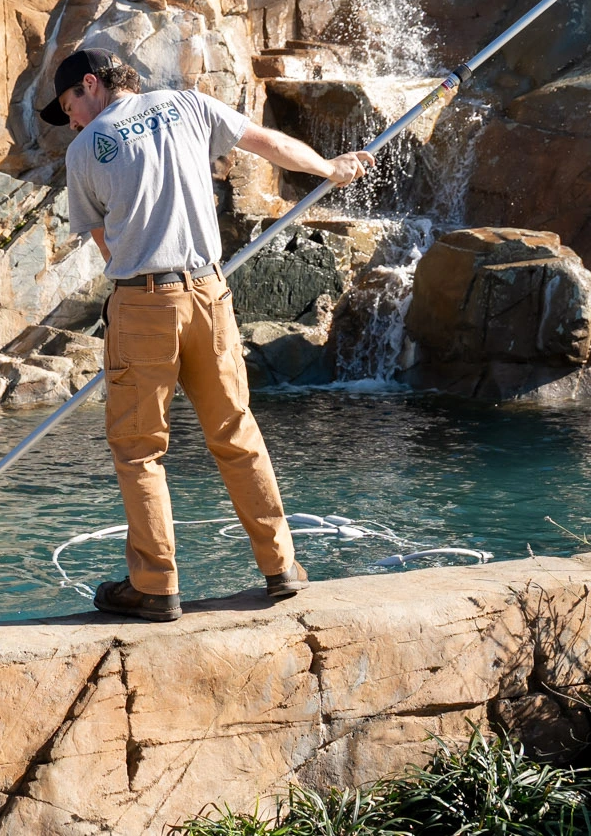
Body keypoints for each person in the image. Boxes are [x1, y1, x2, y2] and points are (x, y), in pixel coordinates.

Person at [39, 47, 375, 622]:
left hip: (145, 303)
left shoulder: (83, 151)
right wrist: (331, 169)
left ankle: (156, 585)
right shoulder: (188, 104)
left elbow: (105, 244)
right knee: (235, 430)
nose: (70, 118)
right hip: (211, 294)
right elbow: (266, 143)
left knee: (140, 448)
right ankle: (281, 567)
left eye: (69, 104)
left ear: (91, 85)